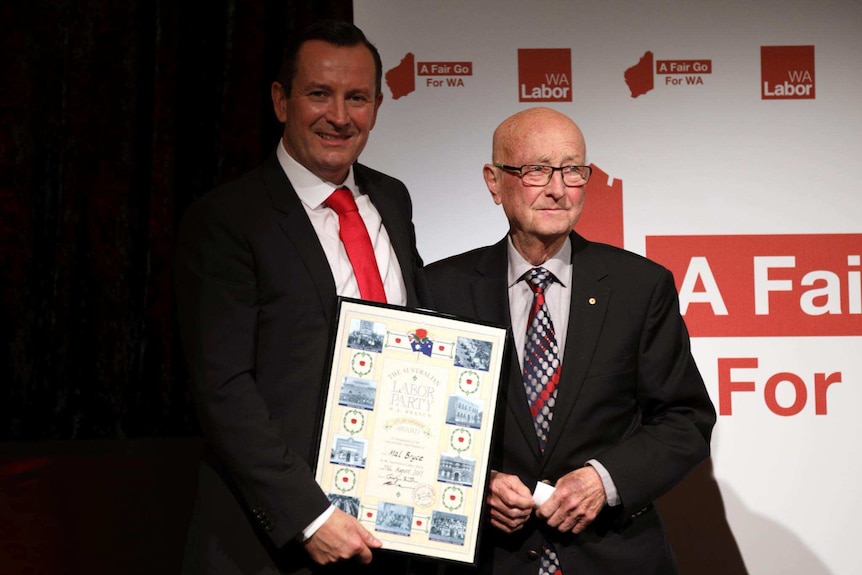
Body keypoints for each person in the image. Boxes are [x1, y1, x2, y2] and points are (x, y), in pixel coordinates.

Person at [175, 20, 430, 574]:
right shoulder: (227, 219)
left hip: (390, 534)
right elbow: (223, 388)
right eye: (320, 93)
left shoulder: (392, 198)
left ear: (378, 106)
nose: (339, 116)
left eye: (357, 97)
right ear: (280, 100)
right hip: (274, 545)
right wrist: (309, 517)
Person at [426, 107, 716, 574]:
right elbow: (414, 424)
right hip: (488, 559)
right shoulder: (440, 289)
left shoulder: (639, 287)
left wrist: (606, 481)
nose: (557, 189)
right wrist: (477, 484)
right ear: (494, 180)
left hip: (611, 555)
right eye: (537, 169)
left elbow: (686, 419)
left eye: (573, 170)